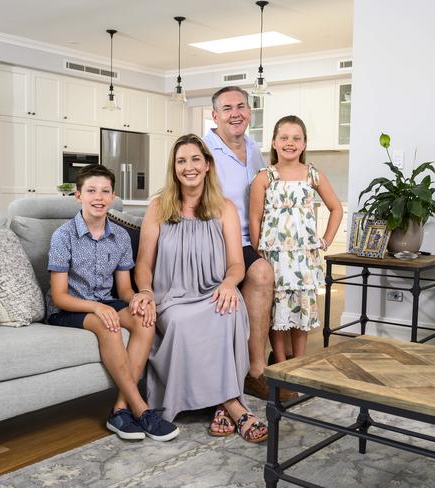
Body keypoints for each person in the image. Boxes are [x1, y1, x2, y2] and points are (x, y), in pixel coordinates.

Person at [133, 134, 268, 443]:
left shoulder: (225, 208)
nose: (189, 167)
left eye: (195, 159)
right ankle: (232, 404)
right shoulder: (158, 208)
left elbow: (236, 263)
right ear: (174, 167)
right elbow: (143, 264)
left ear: (207, 165)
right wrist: (146, 291)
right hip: (172, 298)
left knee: (229, 311)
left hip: (211, 290)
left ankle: (221, 403)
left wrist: (228, 284)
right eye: (181, 161)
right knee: (182, 323)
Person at [46, 164, 179, 442]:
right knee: (108, 325)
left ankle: (119, 409)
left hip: (107, 302)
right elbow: (59, 296)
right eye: (91, 190)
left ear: (113, 195)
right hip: (70, 309)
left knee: (145, 319)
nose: (99, 197)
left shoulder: (119, 237)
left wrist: (140, 299)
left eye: (105, 191)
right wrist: (96, 307)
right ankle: (142, 409)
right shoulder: (63, 236)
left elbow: (124, 289)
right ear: (78, 196)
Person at [203, 86, 283, 400]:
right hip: (216, 240)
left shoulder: (253, 147)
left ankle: (272, 363)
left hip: (251, 238)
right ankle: (257, 370)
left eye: (241, 106)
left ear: (249, 112)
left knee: (281, 270)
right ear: (215, 116)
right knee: (262, 272)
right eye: (227, 108)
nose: (235, 113)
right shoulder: (204, 149)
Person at [249, 115, 343, 363]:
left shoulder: (313, 175)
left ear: (303, 144)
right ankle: (280, 363)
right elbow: (255, 218)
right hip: (274, 256)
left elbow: (337, 208)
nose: (290, 143)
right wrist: (260, 253)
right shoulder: (264, 177)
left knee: (301, 308)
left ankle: (298, 362)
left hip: (303, 258)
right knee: (277, 309)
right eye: (284, 138)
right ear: (274, 143)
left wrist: (325, 241)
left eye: (296, 138)